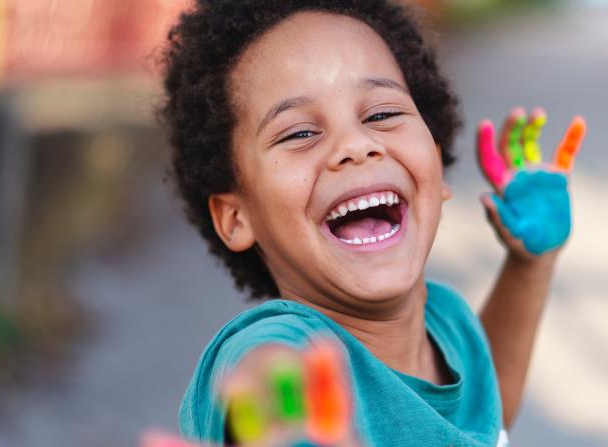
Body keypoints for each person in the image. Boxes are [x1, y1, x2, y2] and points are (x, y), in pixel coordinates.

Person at [158, 1, 585, 445]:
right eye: (300, 133)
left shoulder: (448, 319)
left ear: (435, 166)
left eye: (381, 114)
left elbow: (488, 411)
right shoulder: (278, 347)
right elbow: (271, 389)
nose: (356, 144)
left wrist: (531, 265)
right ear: (235, 217)